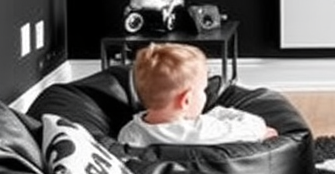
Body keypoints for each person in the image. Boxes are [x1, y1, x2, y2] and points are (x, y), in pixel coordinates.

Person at [117, 42, 278, 149]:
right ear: (186, 100)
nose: (205, 94)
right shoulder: (202, 129)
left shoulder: (130, 133)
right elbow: (254, 125)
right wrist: (260, 131)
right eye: (203, 89)